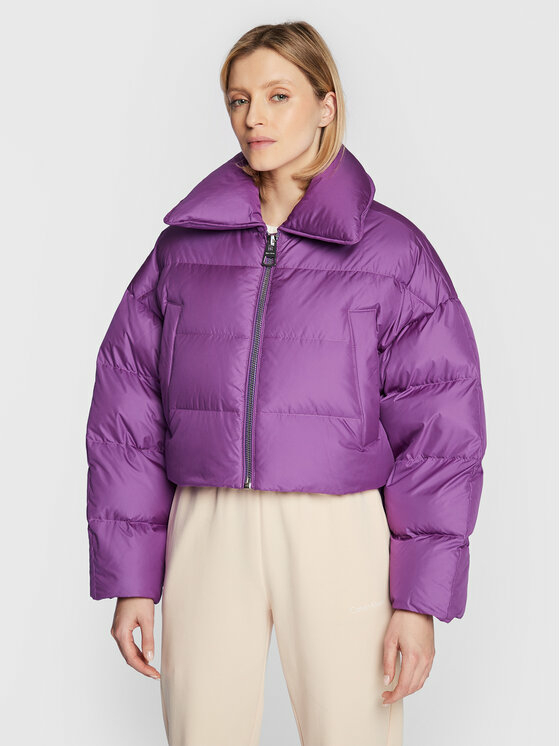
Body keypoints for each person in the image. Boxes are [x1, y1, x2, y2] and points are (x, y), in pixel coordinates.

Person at [85, 20, 487, 746]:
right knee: (202, 733)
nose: (254, 118)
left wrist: (417, 600)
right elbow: (126, 417)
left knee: (353, 734)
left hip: (339, 526)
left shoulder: (392, 252)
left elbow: (441, 432)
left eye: (278, 96)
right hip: (209, 521)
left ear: (326, 104)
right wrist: (132, 580)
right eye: (239, 100)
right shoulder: (182, 250)